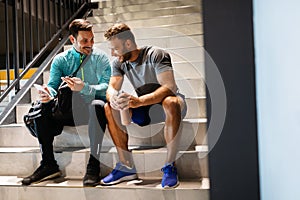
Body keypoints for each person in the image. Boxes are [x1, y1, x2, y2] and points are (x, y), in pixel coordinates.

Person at [22, 19, 111, 187]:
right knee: (41, 107)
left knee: (98, 105)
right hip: (66, 109)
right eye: (84, 41)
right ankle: (48, 164)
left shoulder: (101, 58)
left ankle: (94, 165)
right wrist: (47, 94)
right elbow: (53, 86)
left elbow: (106, 87)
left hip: (90, 111)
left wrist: (84, 87)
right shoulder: (60, 60)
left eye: (91, 39)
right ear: (72, 40)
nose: (89, 44)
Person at [100, 23, 187, 188]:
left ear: (128, 44)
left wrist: (139, 101)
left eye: (115, 48)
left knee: (171, 101)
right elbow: (111, 87)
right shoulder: (119, 63)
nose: (112, 53)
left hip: (168, 104)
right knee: (108, 107)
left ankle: (170, 166)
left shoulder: (156, 54)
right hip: (146, 107)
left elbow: (169, 87)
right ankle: (126, 166)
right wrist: (114, 98)